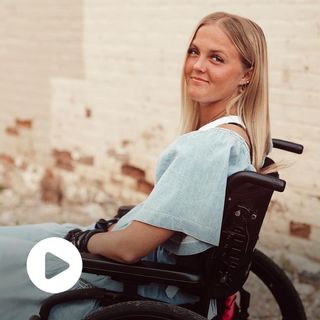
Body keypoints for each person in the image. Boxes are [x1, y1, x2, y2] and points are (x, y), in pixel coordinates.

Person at [0, 11, 270, 320]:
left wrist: (83, 239)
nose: (197, 65)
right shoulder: (236, 137)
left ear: (247, 74)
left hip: (118, 279)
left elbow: (129, 249)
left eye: (217, 58)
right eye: (194, 51)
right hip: (119, 264)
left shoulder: (210, 147)